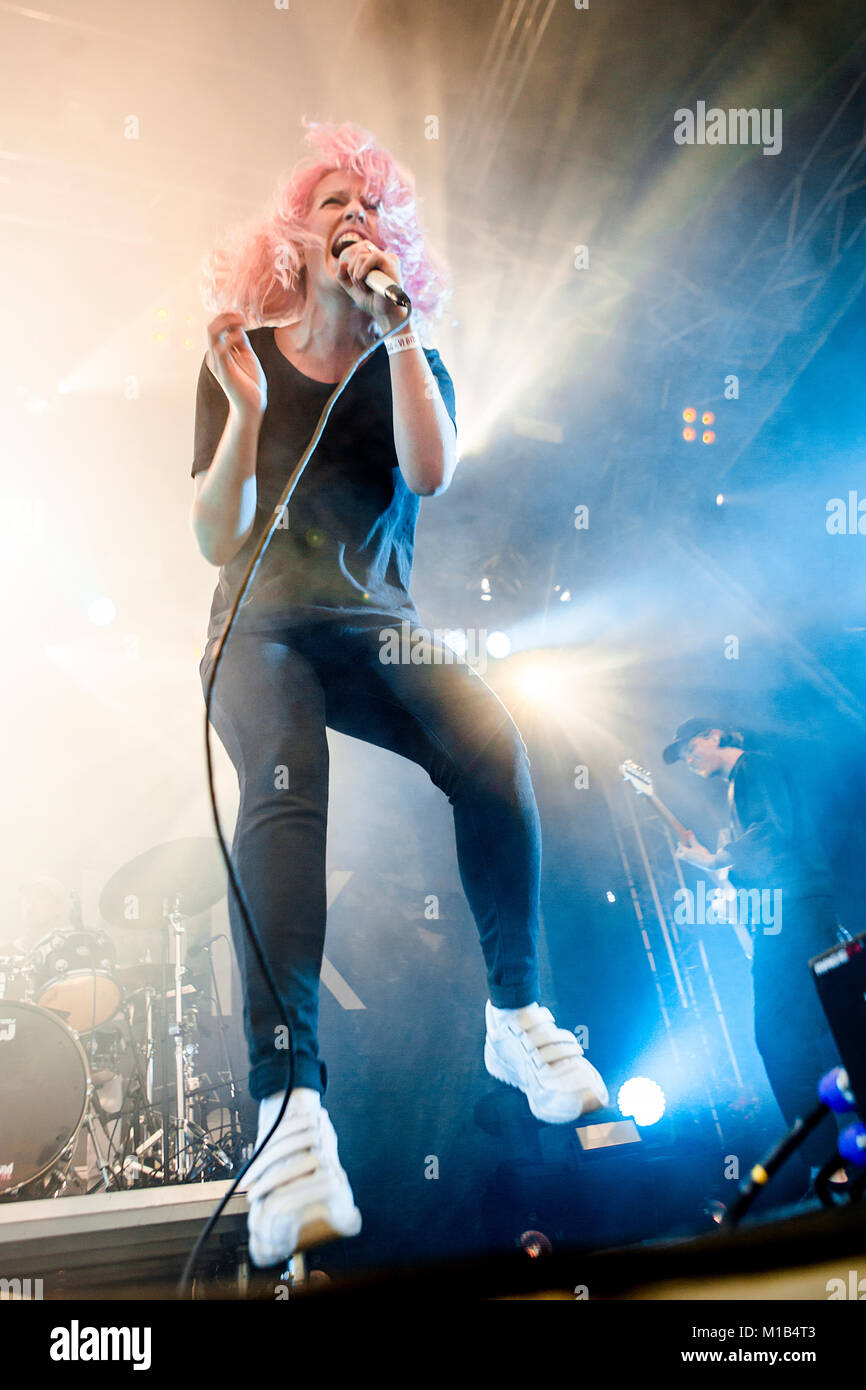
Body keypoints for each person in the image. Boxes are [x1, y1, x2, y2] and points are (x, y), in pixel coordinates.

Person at [190, 120, 608, 1268]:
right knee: (287, 786)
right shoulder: (247, 353)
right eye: (332, 200)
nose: (353, 217)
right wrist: (240, 413)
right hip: (258, 626)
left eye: (369, 207)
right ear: (295, 230)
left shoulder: (406, 354)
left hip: (376, 627)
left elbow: (428, 471)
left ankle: (515, 1017)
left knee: (488, 738)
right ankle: (288, 1115)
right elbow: (211, 534)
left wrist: (403, 333)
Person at [663, 717, 845, 1176]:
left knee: (780, 1035)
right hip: (791, 909)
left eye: (689, 748)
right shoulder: (738, 785)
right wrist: (717, 865)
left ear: (714, 735)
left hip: (795, 908)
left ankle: (828, 1164)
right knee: (812, 1030)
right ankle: (834, 1162)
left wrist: (718, 859)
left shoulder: (754, 767)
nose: (688, 760)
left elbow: (772, 829)